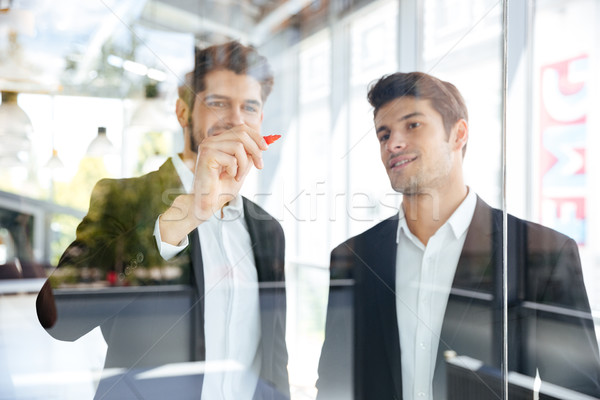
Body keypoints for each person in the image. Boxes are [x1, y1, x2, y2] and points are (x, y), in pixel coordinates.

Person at [316, 72, 600, 399]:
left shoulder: (541, 253)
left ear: (458, 134)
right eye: (384, 134)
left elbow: (576, 392)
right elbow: (333, 385)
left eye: (413, 125)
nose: (393, 143)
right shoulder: (354, 256)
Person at [36, 41, 289, 400]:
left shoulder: (268, 230)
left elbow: (275, 362)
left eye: (249, 106)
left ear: (260, 121)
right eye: (217, 103)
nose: (235, 119)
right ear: (183, 112)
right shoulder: (124, 199)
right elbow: (58, 318)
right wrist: (181, 220)